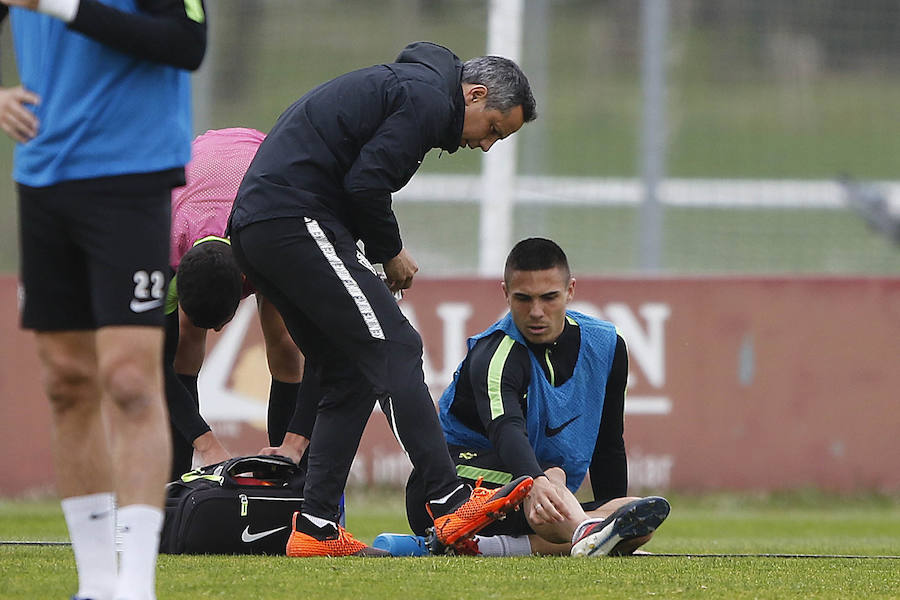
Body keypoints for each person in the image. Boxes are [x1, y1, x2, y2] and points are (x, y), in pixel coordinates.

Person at [228, 41, 538, 557]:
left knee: (349, 369)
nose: (486, 145)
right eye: (493, 129)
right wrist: (389, 252)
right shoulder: (427, 98)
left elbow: (353, 179)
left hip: (265, 227)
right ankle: (449, 498)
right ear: (476, 94)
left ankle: (316, 527)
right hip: (291, 218)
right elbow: (366, 185)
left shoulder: (415, 90)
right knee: (396, 344)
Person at [1, 2, 206, 599]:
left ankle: (135, 585)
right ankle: (93, 586)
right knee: (66, 381)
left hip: (132, 174)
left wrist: (59, 5)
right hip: (43, 176)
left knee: (129, 380)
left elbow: (186, 43)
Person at [406, 238, 670, 557]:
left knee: (631, 512)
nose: (536, 312)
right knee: (549, 475)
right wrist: (536, 480)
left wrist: (612, 512)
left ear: (570, 291)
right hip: (446, 493)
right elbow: (506, 430)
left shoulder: (607, 346)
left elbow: (608, 443)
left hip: (536, 495)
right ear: (505, 293)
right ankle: (585, 532)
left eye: (549, 297)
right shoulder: (494, 354)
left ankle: (504, 545)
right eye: (523, 298)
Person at [164, 127, 316, 480]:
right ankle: (176, 486)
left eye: (222, 323)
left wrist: (294, 443)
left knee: (284, 342)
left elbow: (320, 355)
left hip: (259, 164)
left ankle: (287, 478)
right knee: (183, 344)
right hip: (199, 172)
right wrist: (206, 445)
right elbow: (156, 366)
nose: (218, 331)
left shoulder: (273, 243)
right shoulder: (162, 247)